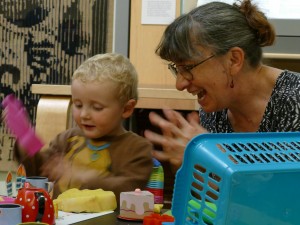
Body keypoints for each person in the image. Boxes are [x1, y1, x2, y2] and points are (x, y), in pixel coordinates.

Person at [144, 0, 300, 172]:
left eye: (188, 67)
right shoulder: (216, 108)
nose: (179, 84)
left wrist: (212, 159)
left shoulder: (295, 100)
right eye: (177, 69)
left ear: (233, 60)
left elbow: (282, 194)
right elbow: (220, 195)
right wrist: (192, 169)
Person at [10, 53, 154, 200]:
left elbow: (130, 190)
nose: (84, 114)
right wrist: (26, 145)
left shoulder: (137, 149)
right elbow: (41, 172)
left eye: (97, 107)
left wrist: (84, 176)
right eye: (78, 105)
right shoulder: (67, 139)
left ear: (126, 109)